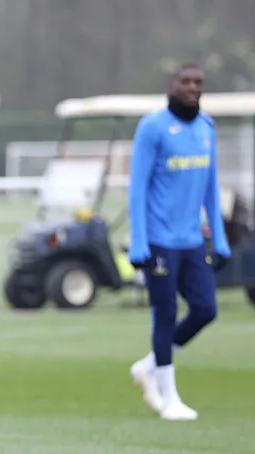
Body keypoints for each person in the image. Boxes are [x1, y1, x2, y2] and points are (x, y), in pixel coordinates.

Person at [127, 64, 231, 420]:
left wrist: (219, 238)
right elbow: (137, 188)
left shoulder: (206, 128)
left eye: (198, 82)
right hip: (159, 240)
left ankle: (148, 366)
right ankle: (169, 397)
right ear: (171, 86)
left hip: (191, 240)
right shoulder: (152, 127)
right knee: (166, 313)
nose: (191, 87)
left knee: (206, 310)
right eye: (185, 81)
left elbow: (211, 188)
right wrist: (139, 243)